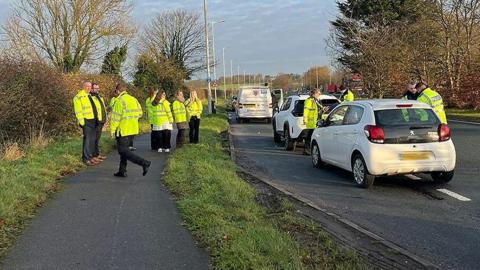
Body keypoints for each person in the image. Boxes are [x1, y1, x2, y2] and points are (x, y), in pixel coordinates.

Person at [110, 83, 151, 177]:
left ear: (117, 91)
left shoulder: (119, 101)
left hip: (123, 129)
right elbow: (140, 113)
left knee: (122, 151)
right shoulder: (134, 99)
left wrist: (112, 130)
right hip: (133, 129)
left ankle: (144, 163)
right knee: (125, 150)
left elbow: (115, 118)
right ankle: (122, 170)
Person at [73, 82, 98, 166]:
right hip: (86, 121)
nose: (88, 88)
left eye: (90, 86)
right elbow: (78, 111)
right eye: (87, 86)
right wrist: (82, 123)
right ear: (83, 87)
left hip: (93, 121)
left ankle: (90, 157)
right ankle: (86, 158)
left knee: (92, 140)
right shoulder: (78, 97)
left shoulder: (90, 96)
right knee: (87, 140)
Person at [90, 83, 107, 162]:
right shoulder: (91, 97)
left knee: (97, 139)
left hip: (101, 121)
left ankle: (97, 154)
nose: (97, 90)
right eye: (95, 88)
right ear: (91, 89)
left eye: (98, 88)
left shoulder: (99, 97)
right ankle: (93, 156)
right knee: (94, 139)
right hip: (96, 121)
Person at [303, 88, 322, 154]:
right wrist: (305, 120)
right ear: (315, 94)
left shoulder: (315, 100)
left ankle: (309, 149)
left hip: (315, 122)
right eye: (319, 93)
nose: (320, 95)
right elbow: (306, 110)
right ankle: (306, 150)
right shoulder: (309, 101)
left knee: (312, 137)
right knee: (309, 136)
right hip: (310, 122)